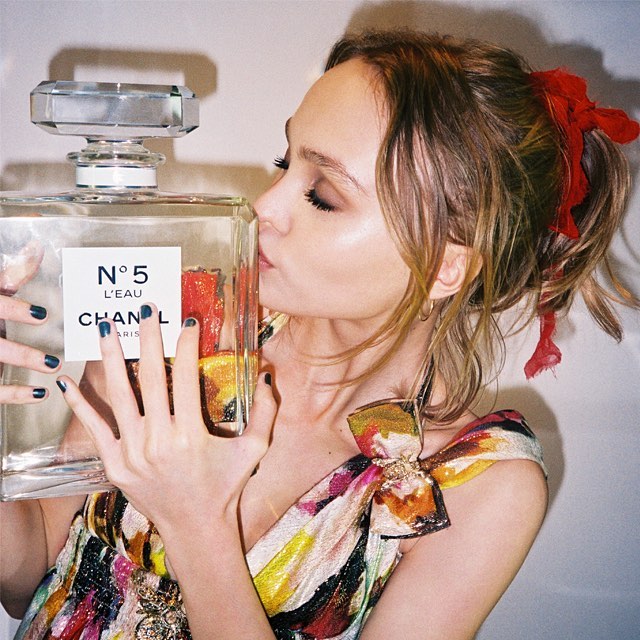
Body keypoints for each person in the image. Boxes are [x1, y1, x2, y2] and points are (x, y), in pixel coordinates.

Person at [1, 29, 638, 640]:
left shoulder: (477, 485)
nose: (263, 207)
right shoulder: (178, 325)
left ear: (445, 265)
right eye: (284, 162)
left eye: (324, 195)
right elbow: (30, 574)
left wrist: (197, 523)